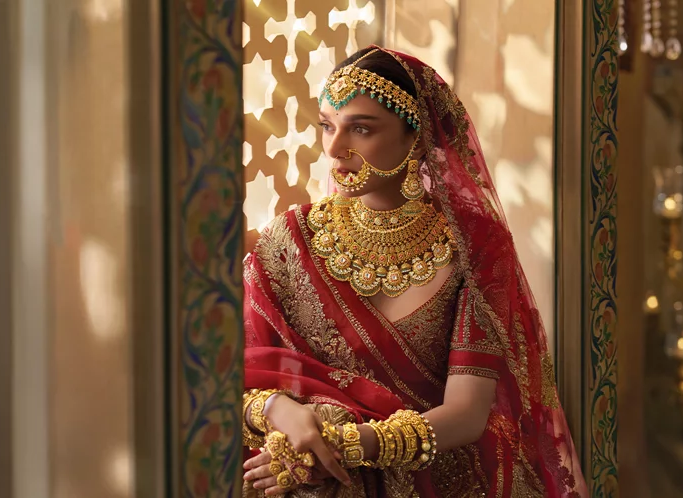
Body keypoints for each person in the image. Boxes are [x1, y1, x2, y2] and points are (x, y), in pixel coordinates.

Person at [240, 45, 585, 497]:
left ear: (417, 138)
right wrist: (283, 415)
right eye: (327, 125)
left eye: (360, 129)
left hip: (438, 479)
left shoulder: (476, 245)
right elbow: (238, 371)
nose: (334, 148)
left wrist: (341, 447)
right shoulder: (289, 238)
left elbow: (466, 411)